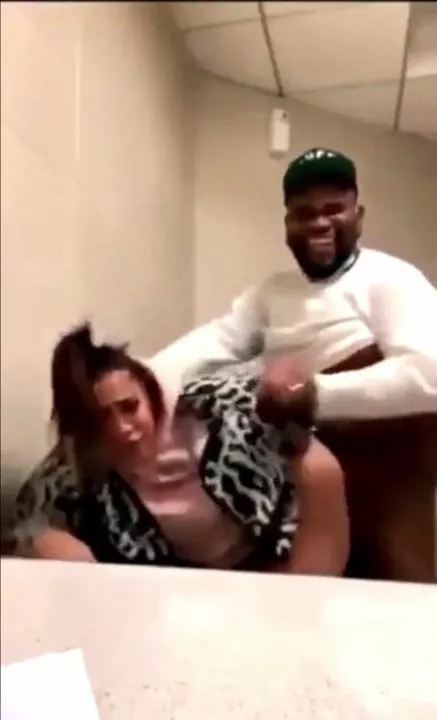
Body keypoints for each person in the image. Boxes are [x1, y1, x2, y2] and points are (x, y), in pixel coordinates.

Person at [11, 323, 349, 575]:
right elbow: (28, 517)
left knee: (319, 465)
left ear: (148, 393)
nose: (122, 429)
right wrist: (45, 541)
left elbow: (288, 399)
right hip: (181, 587)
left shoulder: (207, 408)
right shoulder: (81, 461)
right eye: (100, 419)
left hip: (273, 558)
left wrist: (295, 391)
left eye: (130, 407)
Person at [149, 147, 437, 424]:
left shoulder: (390, 276)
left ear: (358, 217)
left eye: (333, 209)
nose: (319, 223)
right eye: (304, 213)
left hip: (367, 448)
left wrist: (311, 393)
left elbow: (430, 375)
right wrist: (143, 376)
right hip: (281, 445)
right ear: (288, 223)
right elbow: (219, 340)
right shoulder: (271, 291)